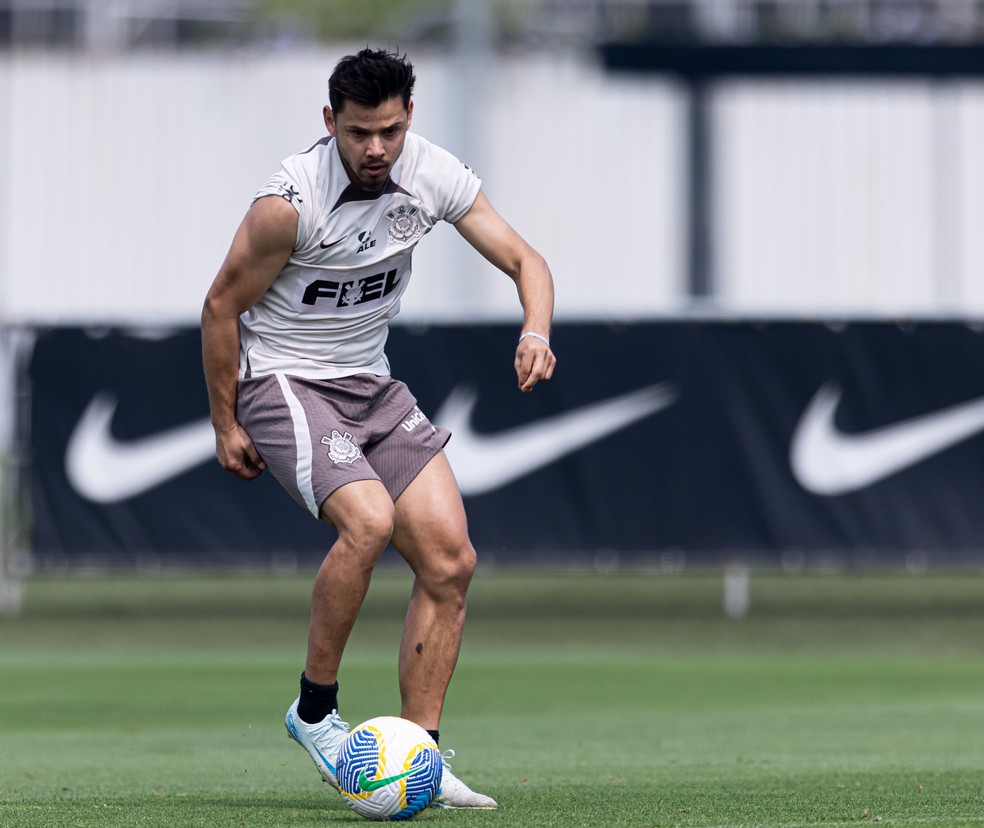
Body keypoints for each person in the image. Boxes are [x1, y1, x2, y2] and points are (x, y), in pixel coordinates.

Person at [200, 48, 556, 809]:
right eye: (359, 132)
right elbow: (221, 306)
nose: (375, 149)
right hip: (286, 381)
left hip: (372, 386)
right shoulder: (288, 204)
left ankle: (417, 754)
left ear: (408, 120)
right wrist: (225, 422)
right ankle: (316, 711)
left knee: (451, 560)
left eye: (389, 131)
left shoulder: (432, 174)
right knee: (368, 521)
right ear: (330, 123)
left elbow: (526, 258)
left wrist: (537, 329)